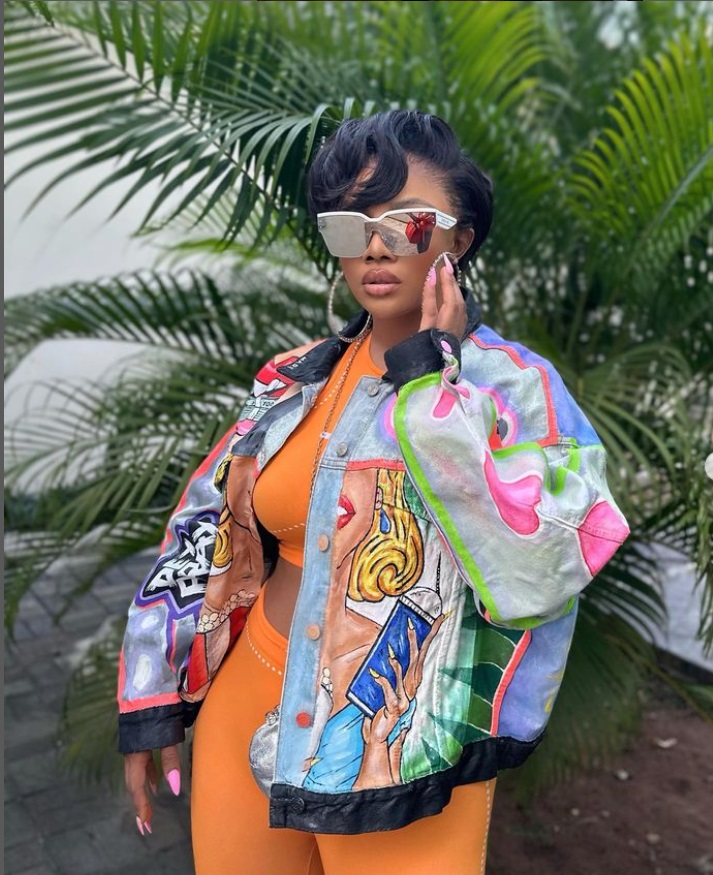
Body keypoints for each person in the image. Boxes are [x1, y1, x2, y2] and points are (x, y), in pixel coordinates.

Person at [117, 110, 630, 874]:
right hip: (243, 698)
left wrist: (430, 385)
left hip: (399, 740)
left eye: (407, 223)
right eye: (349, 226)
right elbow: (204, 525)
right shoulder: (290, 380)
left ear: (459, 238)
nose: (376, 246)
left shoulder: (515, 387)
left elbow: (545, 566)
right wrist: (151, 687)